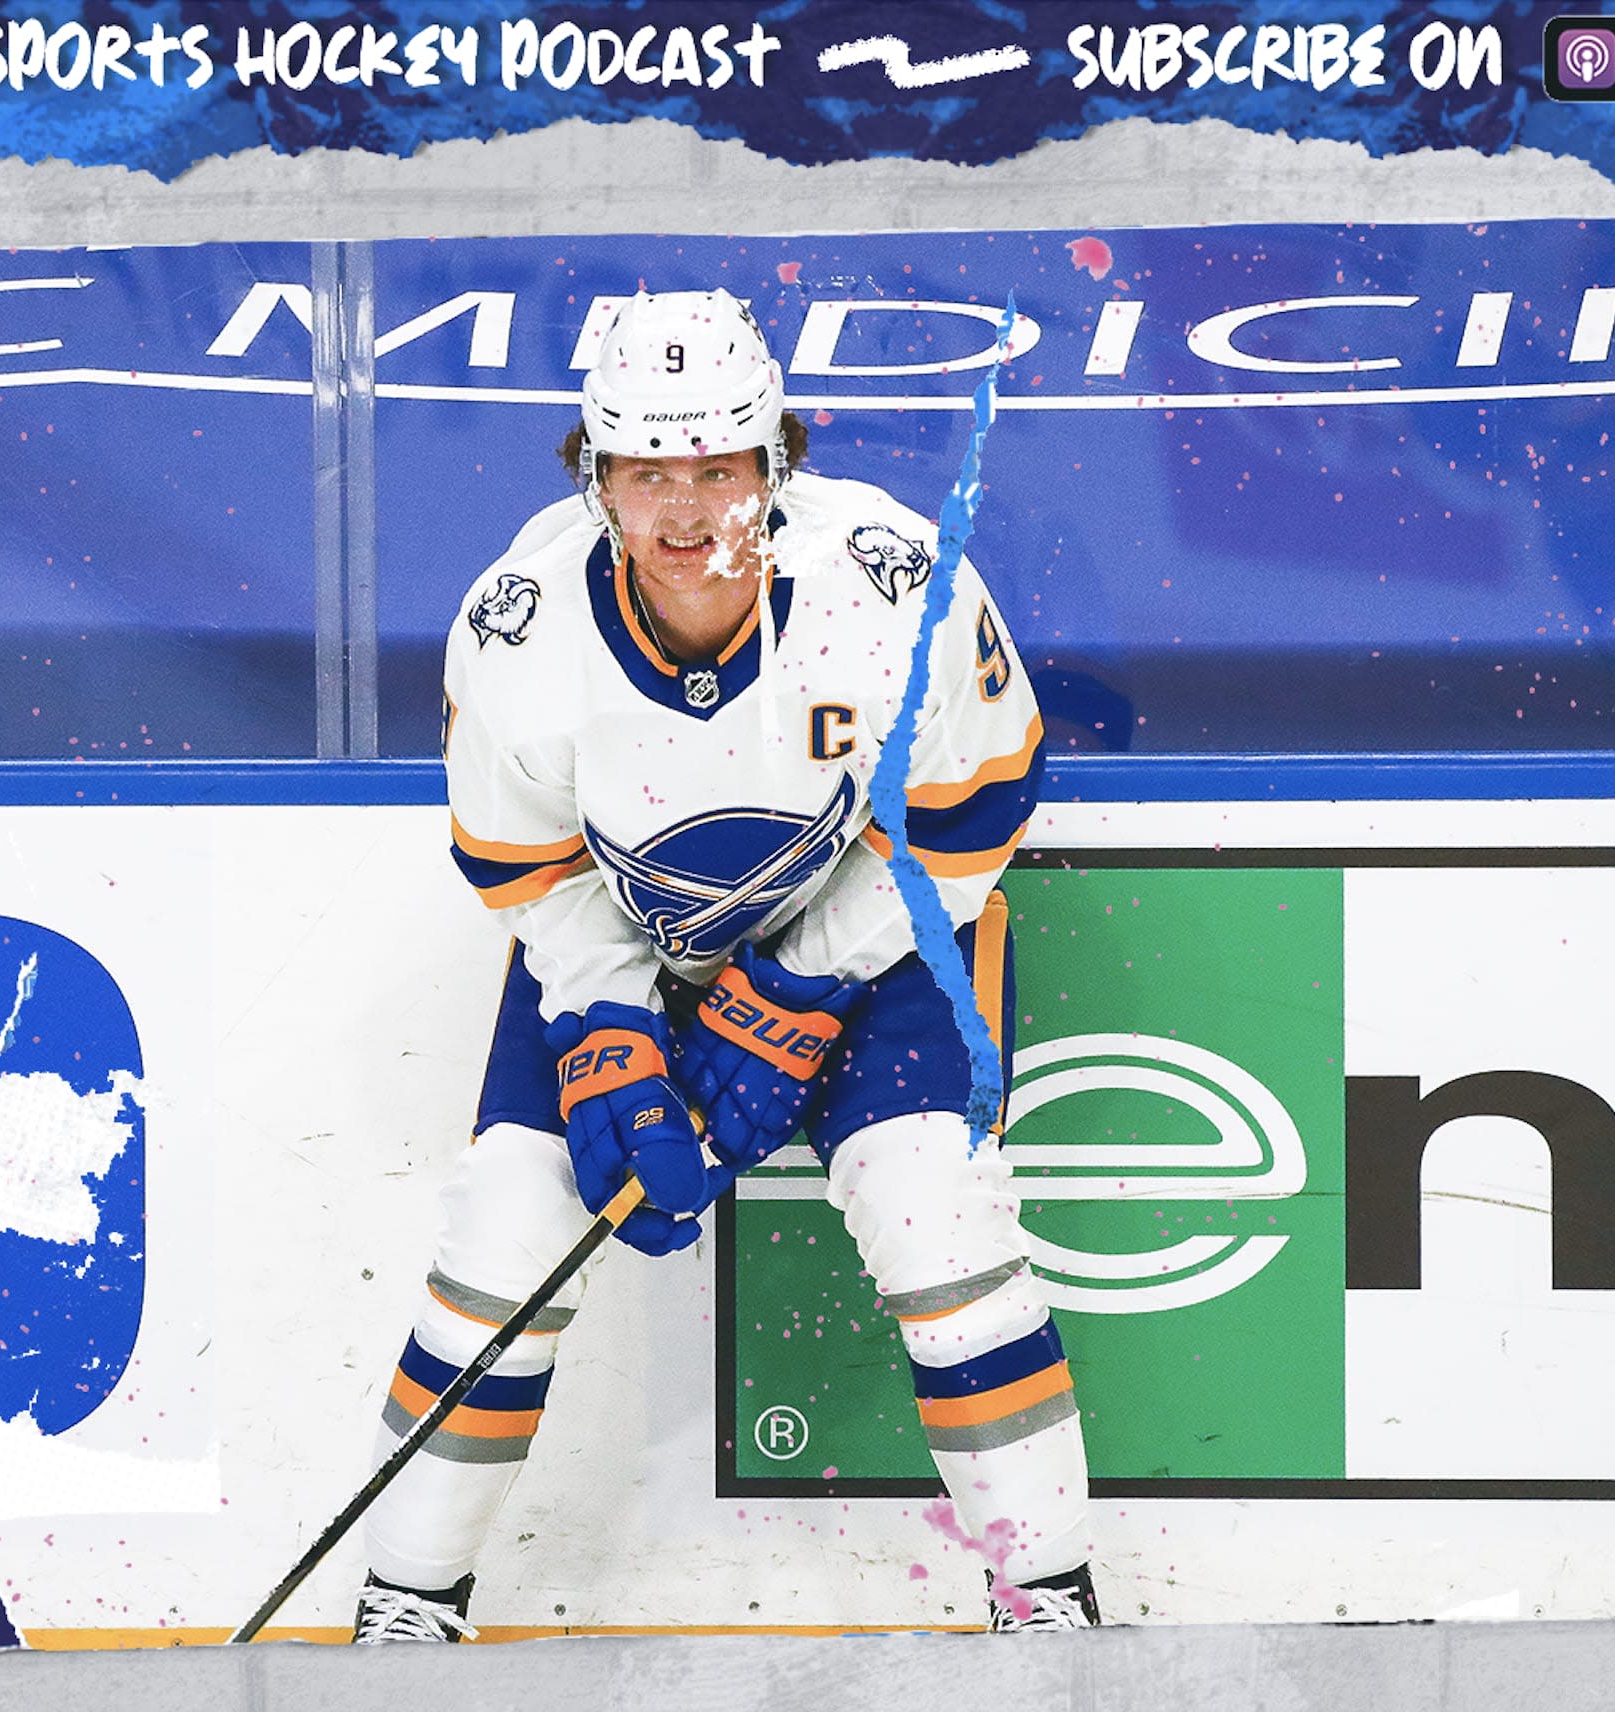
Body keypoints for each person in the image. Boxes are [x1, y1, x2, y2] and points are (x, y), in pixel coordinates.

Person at [351, 289, 1097, 1642]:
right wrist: (615, 1030)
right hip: (631, 941)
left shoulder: (895, 584)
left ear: (778, 461)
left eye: (719, 470)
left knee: (938, 1215)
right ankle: (407, 1603)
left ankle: (1048, 1595)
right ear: (596, 476)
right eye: (647, 472)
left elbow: (978, 816)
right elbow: (531, 874)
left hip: (885, 937)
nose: (686, 511)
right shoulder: (518, 637)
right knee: (510, 1231)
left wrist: (805, 983)